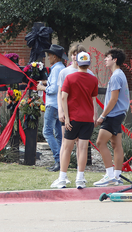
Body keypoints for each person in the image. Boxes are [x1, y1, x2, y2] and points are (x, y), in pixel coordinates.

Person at [51, 52, 98, 189]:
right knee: (83, 148)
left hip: (73, 118)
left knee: (67, 147)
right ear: (88, 64)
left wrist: (66, 117)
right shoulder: (93, 80)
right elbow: (93, 99)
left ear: (76, 62)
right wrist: (94, 115)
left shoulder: (70, 78)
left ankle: (62, 178)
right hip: (87, 118)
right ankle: (80, 178)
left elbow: (64, 97)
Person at [94, 48, 131, 187]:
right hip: (119, 113)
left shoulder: (116, 76)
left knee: (100, 142)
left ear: (115, 59)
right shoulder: (120, 74)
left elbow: (113, 99)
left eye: (107, 57)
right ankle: (117, 176)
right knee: (116, 145)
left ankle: (110, 176)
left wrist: (103, 115)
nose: (105, 59)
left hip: (113, 114)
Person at [36, 44, 66, 172]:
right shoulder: (62, 68)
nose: (48, 57)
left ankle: (58, 159)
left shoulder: (56, 69)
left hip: (52, 104)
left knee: (47, 132)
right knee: (59, 135)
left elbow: (54, 89)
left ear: (55, 56)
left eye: (49, 55)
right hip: (60, 105)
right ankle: (61, 161)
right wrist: (46, 82)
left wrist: (42, 88)